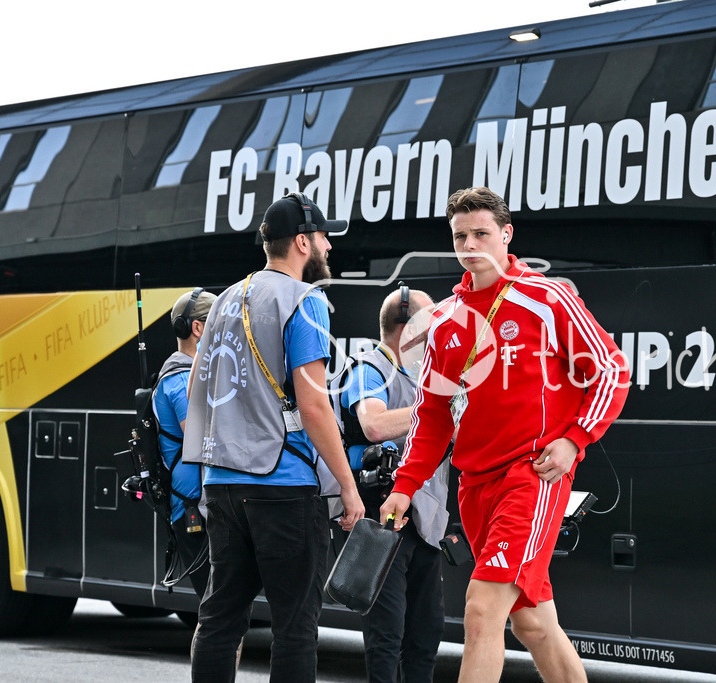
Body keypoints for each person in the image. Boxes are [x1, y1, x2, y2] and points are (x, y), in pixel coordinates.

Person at [380, 186, 630, 682]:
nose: (470, 245)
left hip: (532, 476)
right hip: (474, 486)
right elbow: (431, 414)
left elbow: (610, 369)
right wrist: (404, 487)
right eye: (460, 236)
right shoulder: (445, 321)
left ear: (506, 235)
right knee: (533, 623)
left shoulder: (547, 297)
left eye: (481, 234)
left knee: (480, 609)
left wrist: (575, 439)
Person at [183, 192, 364, 682]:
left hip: (222, 484)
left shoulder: (223, 301)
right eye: (325, 237)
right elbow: (313, 404)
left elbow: (199, 389)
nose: (330, 246)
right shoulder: (305, 302)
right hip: (283, 488)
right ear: (303, 242)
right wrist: (347, 486)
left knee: (220, 618)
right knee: (294, 627)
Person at [332, 286, 449, 683]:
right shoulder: (369, 366)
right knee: (388, 634)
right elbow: (374, 424)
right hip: (384, 520)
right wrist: (437, 412)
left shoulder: (422, 376)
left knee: (426, 633)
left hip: (425, 523)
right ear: (408, 328)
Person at [152, 287, 218, 601]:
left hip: (204, 506)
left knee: (222, 610)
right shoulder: (179, 379)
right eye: (218, 324)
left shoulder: (194, 373)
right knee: (215, 610)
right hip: (194, 508)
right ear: (198, 328)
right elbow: (201, 434)